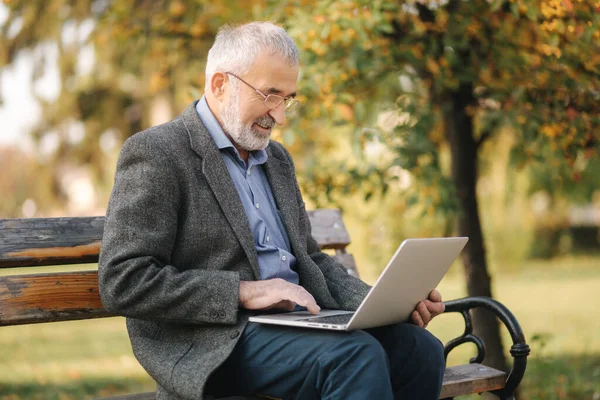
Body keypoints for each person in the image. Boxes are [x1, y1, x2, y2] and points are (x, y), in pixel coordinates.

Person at [98, 21, 446, 400]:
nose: (279, 116)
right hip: (216, 340)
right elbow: (123, 281)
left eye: (288, 99)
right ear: (219, 84)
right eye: (270, 95)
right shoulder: (158, 153)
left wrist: (384, 303)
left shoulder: (276, 159)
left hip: (297, 324)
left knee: (420, 350)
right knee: (353, 357)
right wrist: (243, 292)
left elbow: (311, 259)